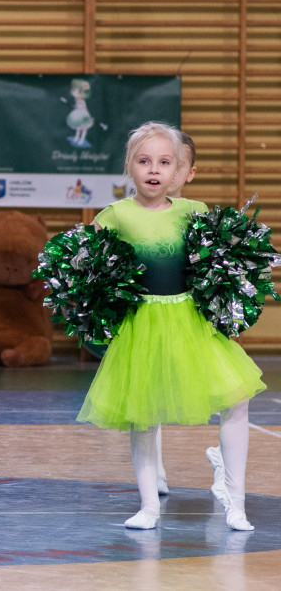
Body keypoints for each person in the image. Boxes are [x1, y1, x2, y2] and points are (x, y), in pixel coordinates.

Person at [75, 122, 265, 531]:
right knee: (142, 413)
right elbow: (86, 267)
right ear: (129, 167)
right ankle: (149, 506)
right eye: (144, 161)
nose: (154, 170)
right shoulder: (114, 216)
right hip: (142, 327)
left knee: (236, 400)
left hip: (193, 324)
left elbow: (218, 266)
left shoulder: (194, 213)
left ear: (179, 170)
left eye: (164, 162)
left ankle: (237, 501)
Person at [151, 129, 198, 496]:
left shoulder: (198, 215)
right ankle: (155, 471)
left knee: (229, 396)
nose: (169, 169)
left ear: (188, 171)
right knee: (148, 394)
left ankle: (228, 474)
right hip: (152, 319)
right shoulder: (133, 213)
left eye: (175, 162)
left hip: (193, 320)